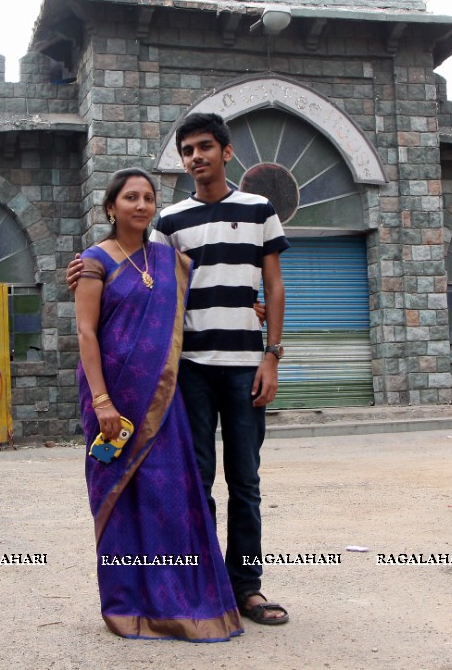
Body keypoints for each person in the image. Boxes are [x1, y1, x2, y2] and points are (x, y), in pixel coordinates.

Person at [69, 112, 290, 625]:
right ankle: (208, 581)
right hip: (185, 370)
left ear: (227, 152)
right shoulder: (168, 221)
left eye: (205, 147)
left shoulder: (259, 209)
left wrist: (272, 354)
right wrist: (85, 270)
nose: (197, 156)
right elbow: (144, 279)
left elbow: (274, 285)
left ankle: (248, 587)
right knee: (195, 482)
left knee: (247, 482)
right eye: (188, 149)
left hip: (244, 367)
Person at [74, 167, 243, 641]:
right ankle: (128, 603)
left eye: (148, 197)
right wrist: (104, 402)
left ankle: (177, 599)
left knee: (170, 498)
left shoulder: (171, 261)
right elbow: (86, 333)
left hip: (164, 399)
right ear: (111, 207)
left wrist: (255, 308)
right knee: (121, 499)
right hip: (112, 402)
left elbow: (213, 290)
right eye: (131, 197)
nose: (142, 205)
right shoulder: (93, 261)